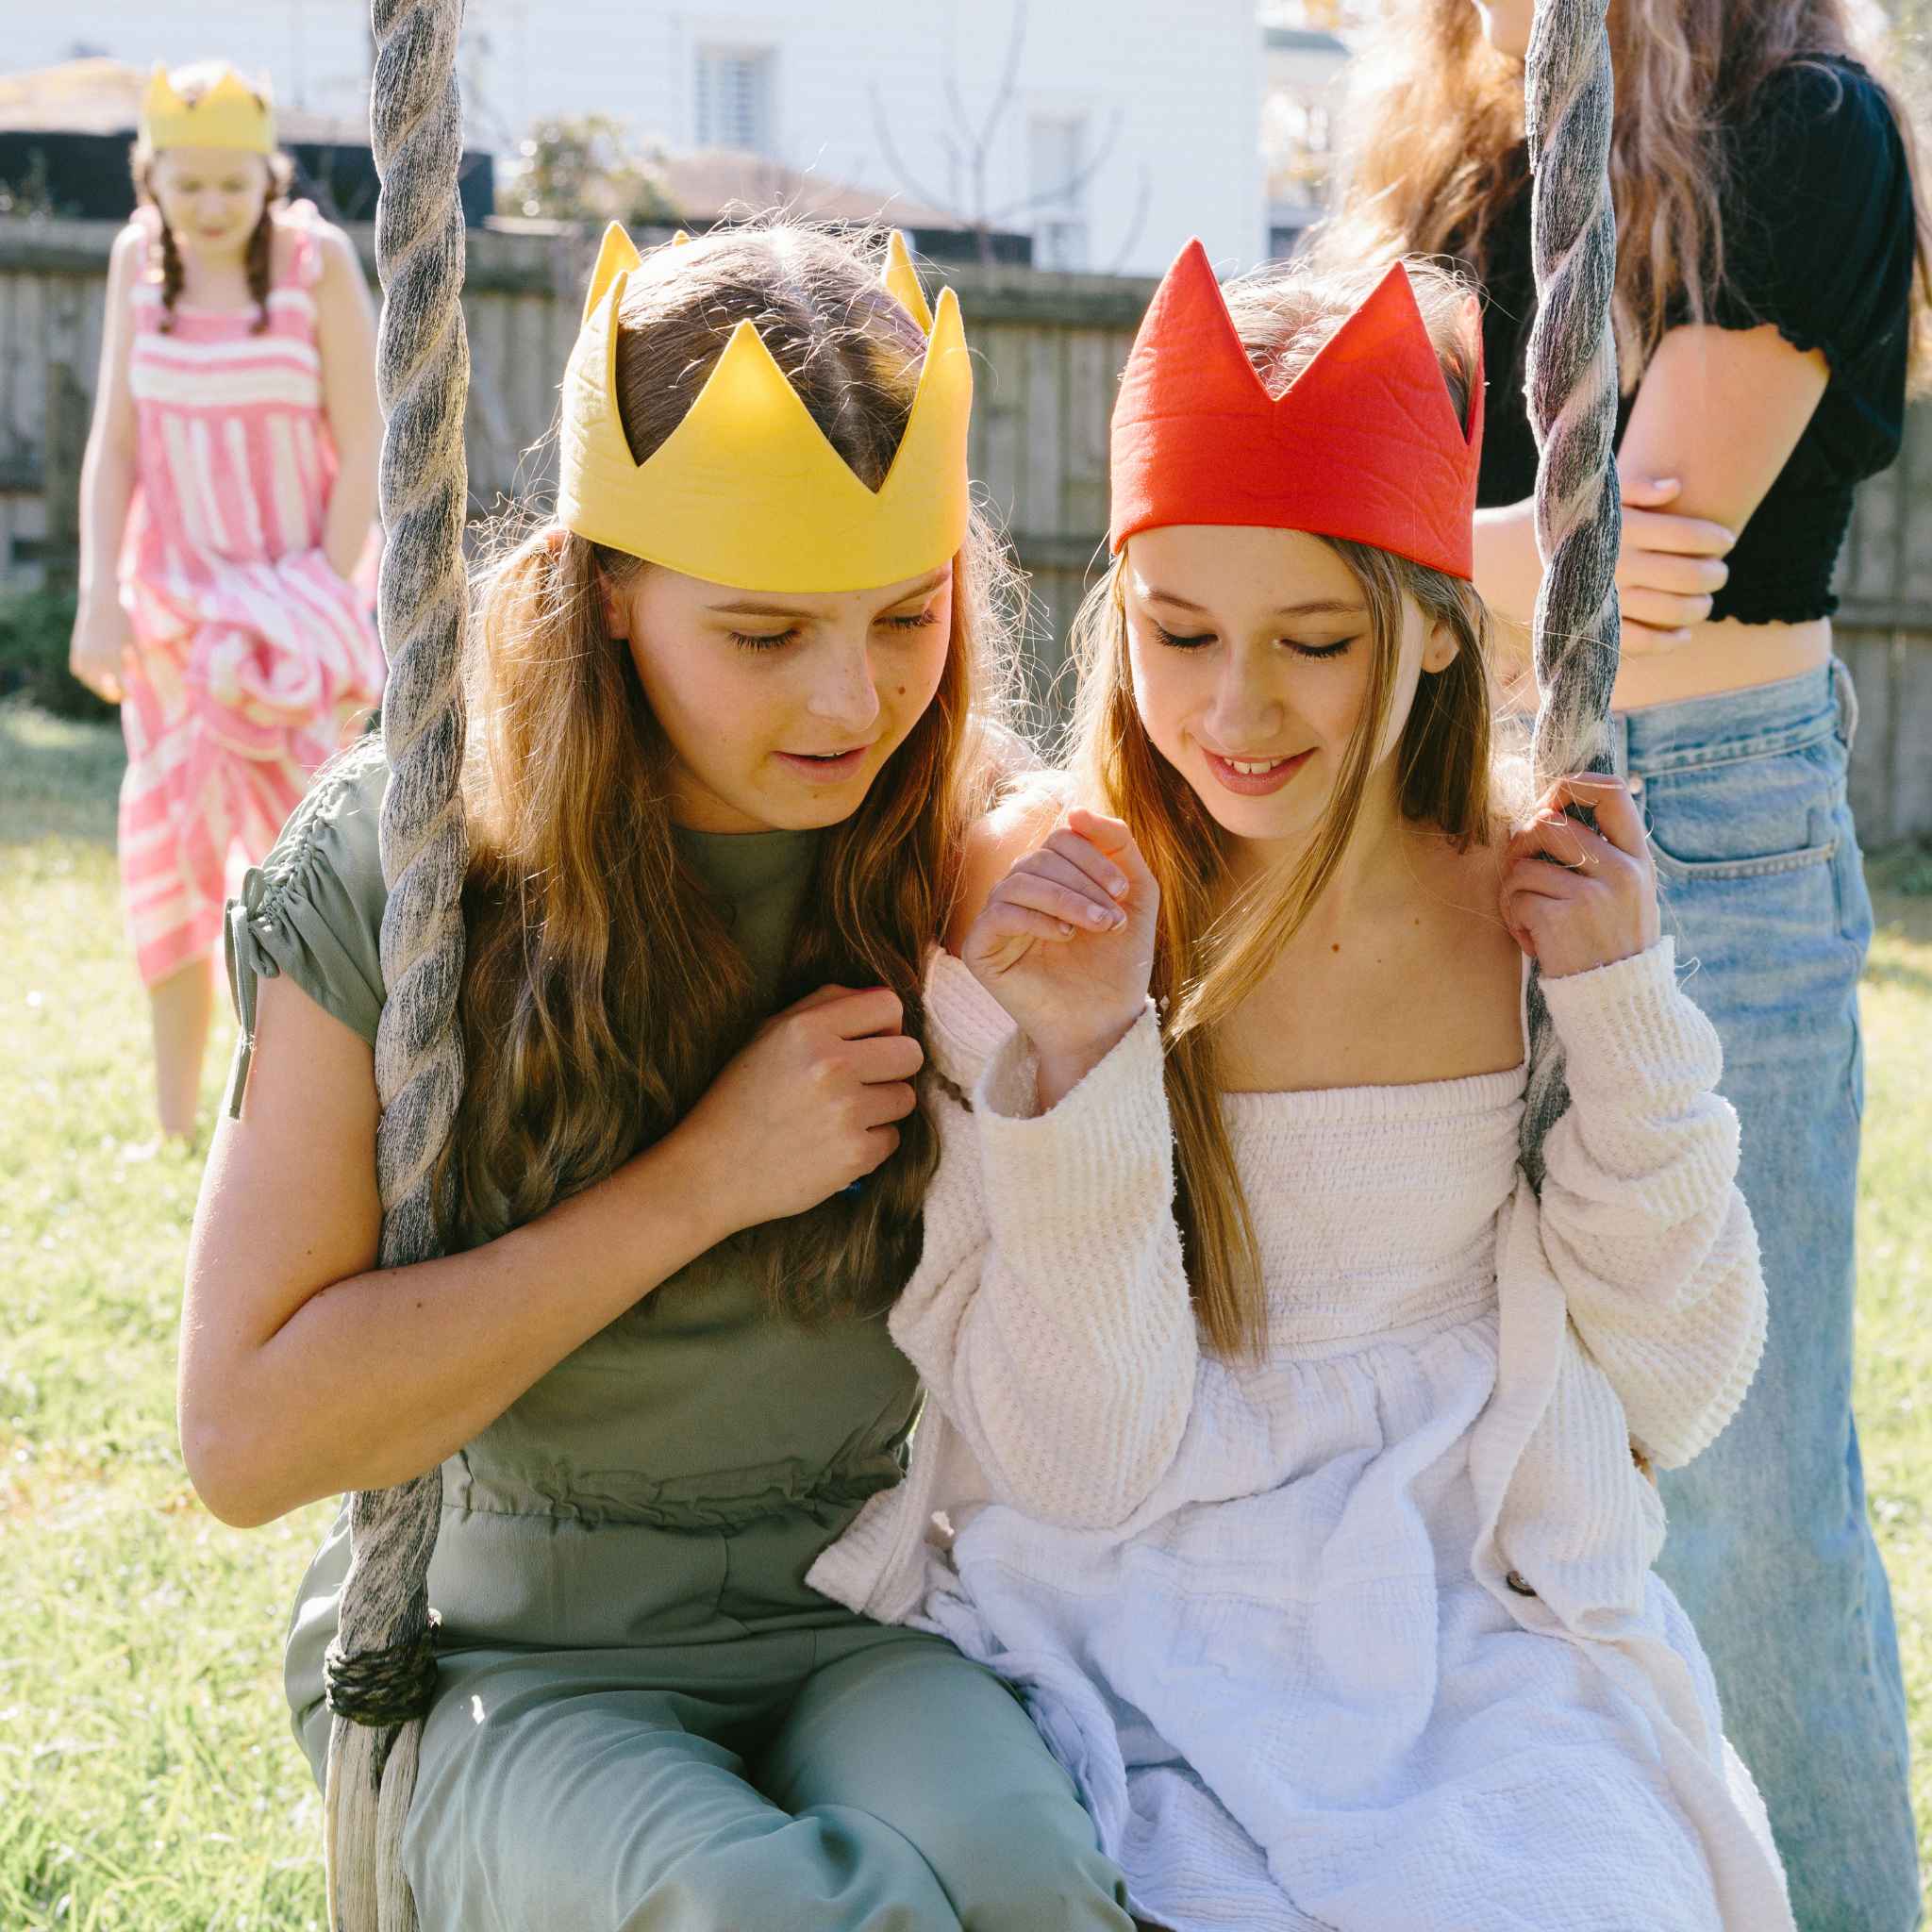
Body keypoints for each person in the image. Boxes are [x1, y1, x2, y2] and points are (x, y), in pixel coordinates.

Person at [811, 243, 1790, 1931]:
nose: (1234, 707)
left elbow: (1679, 1385)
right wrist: (1081, 1059)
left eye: (1312, 640)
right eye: (1177, 631)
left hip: (1452, 1597)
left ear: (1422, 633)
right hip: (1116, 1593)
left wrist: (1623, 1015)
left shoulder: (1518, 890)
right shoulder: (1043, 898)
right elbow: (1079, 1460)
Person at [177, 219, 1131, 1932]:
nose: (854, 702)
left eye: (905, 620)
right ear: (610, 592)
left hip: (857, 1604)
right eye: (764, 636)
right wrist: (703, 1176)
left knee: (1036, 1882)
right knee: (767, 1911)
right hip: (507, 1643)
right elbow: (244, 1436)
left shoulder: (959, 854)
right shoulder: (405, 867)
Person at [1319, 6, 1926, 1920]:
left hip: (1705, 819)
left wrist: (1332, 532)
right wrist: (1434, 547)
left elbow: (1638, 556)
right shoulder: (1449, 137)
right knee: (1442, 1439)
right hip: (1437, 796)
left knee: (1743, 1490)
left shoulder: (1801, 127)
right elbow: (1533, 550)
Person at [66, 61, 386, 1143]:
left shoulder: (316, 263)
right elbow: (116, 445)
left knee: (320, 864)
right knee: (170, 851)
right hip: (173, 617)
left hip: (301, 611)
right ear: (149, 178)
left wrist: (310, 598)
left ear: (268, 176)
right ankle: (173, 1127)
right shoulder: (133, 264)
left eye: (230, 188)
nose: (206, 211)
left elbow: (364, 448)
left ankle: (326, 1116)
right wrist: (96, 598)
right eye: (184, 187)